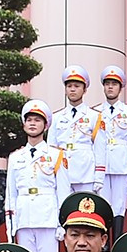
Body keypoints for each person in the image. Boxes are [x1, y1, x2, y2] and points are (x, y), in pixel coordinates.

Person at [4, 100, 70, 252]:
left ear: (46, 125)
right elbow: (11, 193)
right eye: (29, 120)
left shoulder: (56, 155)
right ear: (24, 124)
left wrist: (62, 223)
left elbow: (63, 192)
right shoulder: (15, 157)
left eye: (37, 120)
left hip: (47, 218)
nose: (32, 123)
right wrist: (10, 224)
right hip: (23, 218)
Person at [47, 66, 100, 206]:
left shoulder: (94, 116)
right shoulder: (56, 117)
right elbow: (51, 148)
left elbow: (100, 148)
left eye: (77, 86)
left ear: (84, 89)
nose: (72, 89)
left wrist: (99, 176)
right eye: (69, 86)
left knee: (86, 208)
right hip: (63, 171)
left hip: (86, 171)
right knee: (64, 207)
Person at [92, 66, 127, 225]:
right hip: (102, 161)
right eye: (107, 84)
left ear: (120, 87)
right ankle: (104, 237)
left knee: (119, 201)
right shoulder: (96, 112)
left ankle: (117, 237)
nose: (110, 87)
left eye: (114, 84)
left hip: (121, 160)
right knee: (103, 200)